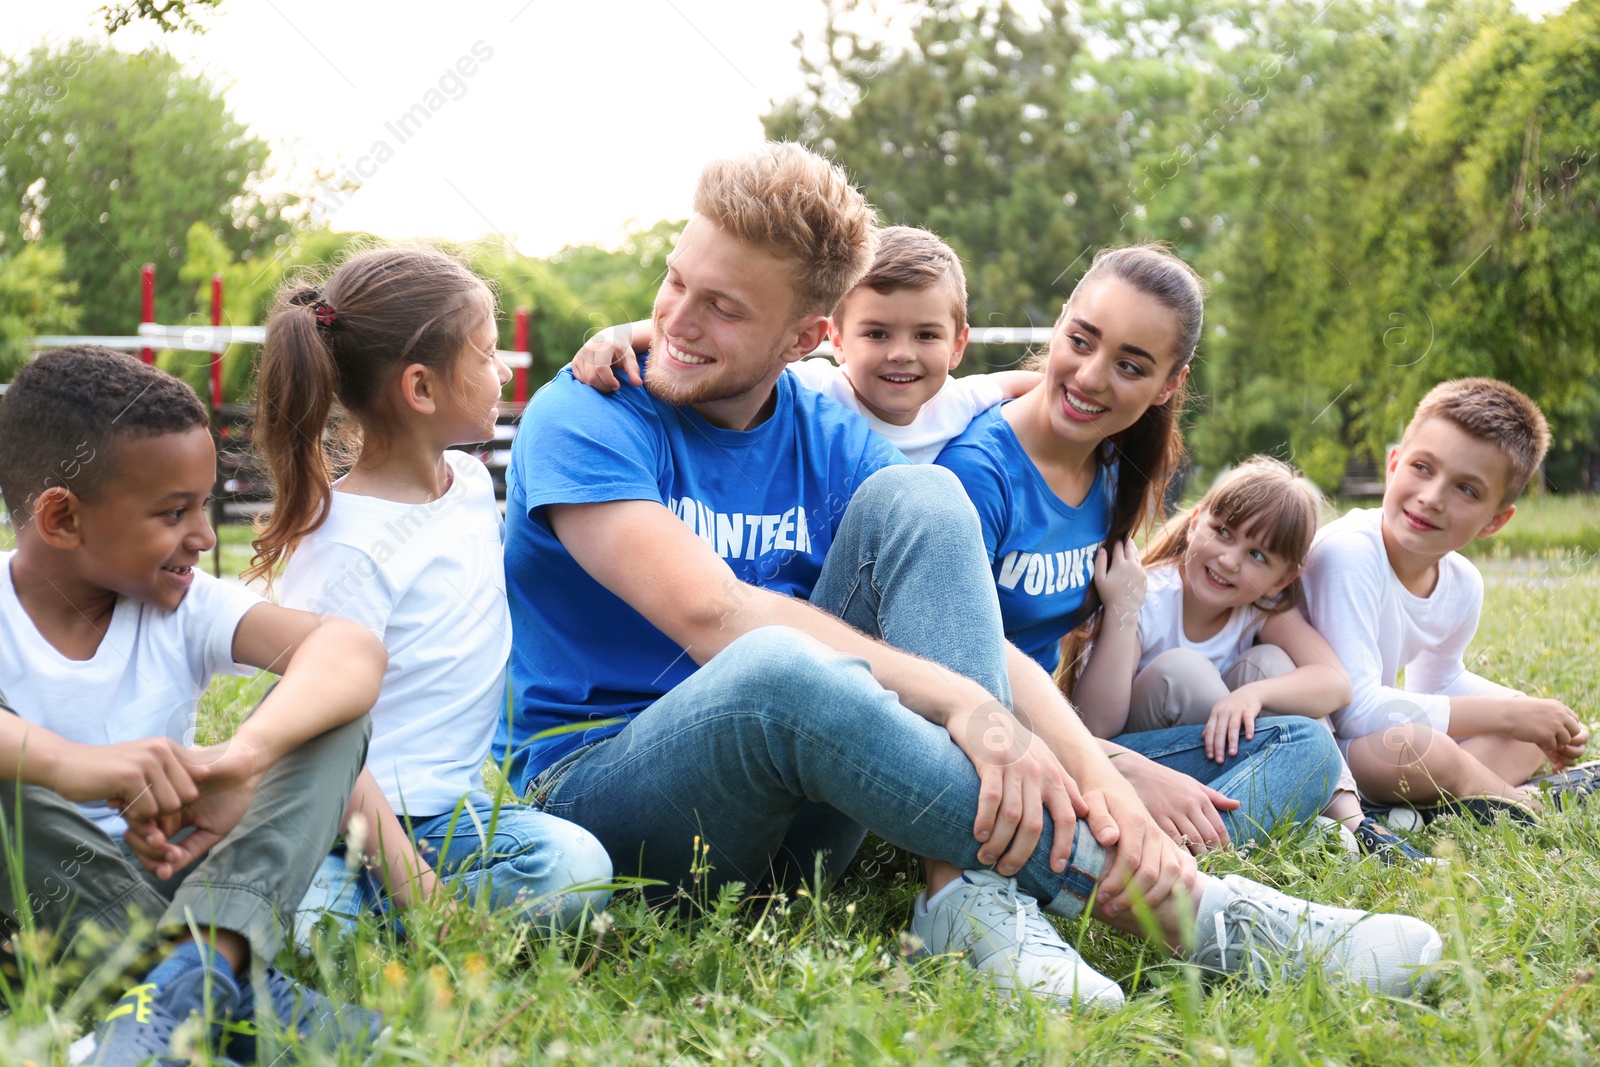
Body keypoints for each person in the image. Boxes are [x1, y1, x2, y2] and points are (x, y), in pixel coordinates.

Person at [502, 142, 1441, 1011]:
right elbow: (715, 614)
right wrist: (965, 707)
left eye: (725, 307)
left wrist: (1091, 772)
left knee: (924, 501)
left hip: (797, 833)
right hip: (607, 800)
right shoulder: (589, 411)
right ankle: (1205, 915)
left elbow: (970, 628)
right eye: (676, 280)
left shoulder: (832, 438)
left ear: (804, 338)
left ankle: (971, 896)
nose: (677, 319)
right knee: (778, 669)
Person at [0, 347, 384, 1065]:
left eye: (202, 505)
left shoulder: (186, 606)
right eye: (175, 512)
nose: (205, 536)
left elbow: (352, 652)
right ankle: (226, 993)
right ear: (61, 518)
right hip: (31, 904)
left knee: (331, 718)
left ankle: (196, 969)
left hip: (174, 876)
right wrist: (74, 766)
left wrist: (243, 758)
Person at [244, 247, 613, 940]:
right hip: (333, 814)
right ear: (421, 388)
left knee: (578, 866)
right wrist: (418, 889)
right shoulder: (348, 549)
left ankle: (389, 918)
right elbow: (316, 741)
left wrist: (613, 342)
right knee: (318, 936)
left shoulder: (470, 484)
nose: (504, 370)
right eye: (488, 353)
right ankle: (368, 913)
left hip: (449, 816)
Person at [935, 245, 1341, 856]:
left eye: (1130, 366)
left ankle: (1178, 854)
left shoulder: (1113, 470)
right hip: (975, 746)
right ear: (1060, 322)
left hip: (1066, 740)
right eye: (1081, 340)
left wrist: (1117, 762)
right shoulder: (978, 473)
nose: (1092, 376)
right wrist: (1119, 768)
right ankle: (1156, 858)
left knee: (1307, 749)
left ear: (1168, 385)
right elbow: (951, 670)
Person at [1070, 455, 1432, 863]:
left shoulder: (1259, 607)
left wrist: (1255, 694)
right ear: (1195, 523)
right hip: (1145, 766)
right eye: (1222, 532)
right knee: (1185, 673)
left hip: (1221, 760)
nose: (1229, 560)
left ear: (1282, 579)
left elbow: (1335, 682)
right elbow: (1094, 729)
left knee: (1271, 665)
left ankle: (1354, 824)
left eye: (1258, 556)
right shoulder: (1148, 597)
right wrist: (1123, 609)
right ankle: (1273, 809)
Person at [1302, 378, 1594, 818]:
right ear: (1394, 465)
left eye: (1467, 490)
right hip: (1320, 748)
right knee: (1420, 748)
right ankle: (1517, 800)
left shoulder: (1462, 583)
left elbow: (1437, 684)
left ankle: (1435, 805)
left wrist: (1530, 713)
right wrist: (1506, 716)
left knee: (1529, 732)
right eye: (1422, 467)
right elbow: (1353, 712)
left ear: (1494, 521)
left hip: (1372, 747)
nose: (1432, 498)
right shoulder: (1348, 553)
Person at [569, 225, 1037, 462]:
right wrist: (619, 335)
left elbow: (1027, 384)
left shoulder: (959, 402)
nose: (901, 352)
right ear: (832, 338)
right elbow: (725, 342)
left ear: (958, 346)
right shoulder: (812, 389)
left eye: (927, 336)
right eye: (876, 333)